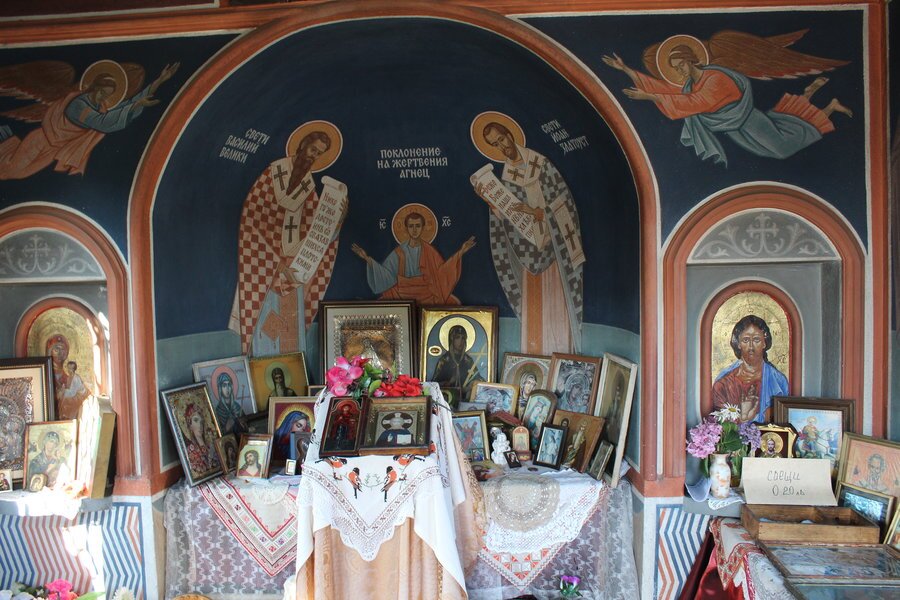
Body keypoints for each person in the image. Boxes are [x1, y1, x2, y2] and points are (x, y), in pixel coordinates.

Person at [603, 42, 851, 166]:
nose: (679, 71)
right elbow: (666, 89)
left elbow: (697, 102)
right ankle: (816, 98)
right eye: (676, 69)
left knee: (784, 147)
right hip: (735, 129)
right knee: (783, 133)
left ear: (691, 60)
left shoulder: (715, 79)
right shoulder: (690, 86)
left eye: (681, 65)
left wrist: (651, 98)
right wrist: (625, 69)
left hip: (749, 121)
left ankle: (826, 105)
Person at [230, 126, 347, 354]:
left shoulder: (308, 185)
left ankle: (292, 365)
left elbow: (319, 232)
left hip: (293, 269)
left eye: (318, 154)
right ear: (302, 145)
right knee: (265, 323)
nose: (313, 156)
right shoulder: (273, 173)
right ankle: (260, 363)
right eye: (312, 149)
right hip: (265, 264)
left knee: (289, 327)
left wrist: (338, 218)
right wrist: (277, 262)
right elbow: (252, 219)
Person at [472, 116, 584, 350]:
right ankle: (534, 354)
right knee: (534, 306)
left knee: (556, 303)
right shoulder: (506, 176)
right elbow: (507, 217)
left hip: (554, 250)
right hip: (528, 253)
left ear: (510, 135)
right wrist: (490, 200)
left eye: (502, 139)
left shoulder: (541, 165)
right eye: (495, 145)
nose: (502, 147)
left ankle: (562, 353)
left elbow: (565, 203)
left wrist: (538, 213)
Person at [0, 61, 179, 179]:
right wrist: (135, 105)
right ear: (94, 87)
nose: (102, 97)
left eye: (107, 95)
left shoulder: (100, 109)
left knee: (20, 174)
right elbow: (102, 122)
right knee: (9, 170)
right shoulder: (78, 104)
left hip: (53, 150)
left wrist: (159, 81)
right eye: (101, 92)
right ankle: (4, 138)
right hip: (41, 141)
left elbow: (126, 106)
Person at [352, 211, 475, 304]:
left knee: (453, 303)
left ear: (422, 228)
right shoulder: (399, 252)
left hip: (427, 294)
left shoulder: (429, 251)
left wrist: (461, 252)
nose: (414, 230)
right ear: (406, 228)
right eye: (411, 226)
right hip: (402, 295)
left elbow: (441, 274)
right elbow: (386, 275)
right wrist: (367, 258)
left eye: (417, 226)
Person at [711, 315, 789, 424]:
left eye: (756, 339)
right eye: (746, 340)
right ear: (738, 344)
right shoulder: (723, 385)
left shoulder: (778, 381)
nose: (751, 346)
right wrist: (742, 419)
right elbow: (721, 426)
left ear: (764, 343)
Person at [430, 324, 484, 402]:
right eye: (457, 337)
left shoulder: (468, 360)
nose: (460, 341)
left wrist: (473, 383)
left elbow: (478, 377)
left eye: (463, 338)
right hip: (447, 401)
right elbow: (433, 385)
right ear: (452, 339)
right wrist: (449, 382)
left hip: (465, 400)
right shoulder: (444, 360)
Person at [183, 403, 219, 473]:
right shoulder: (190, 451)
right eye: (196, 420)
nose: (200, 425)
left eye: (201, 422)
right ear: (189, 424)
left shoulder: (210, 446)